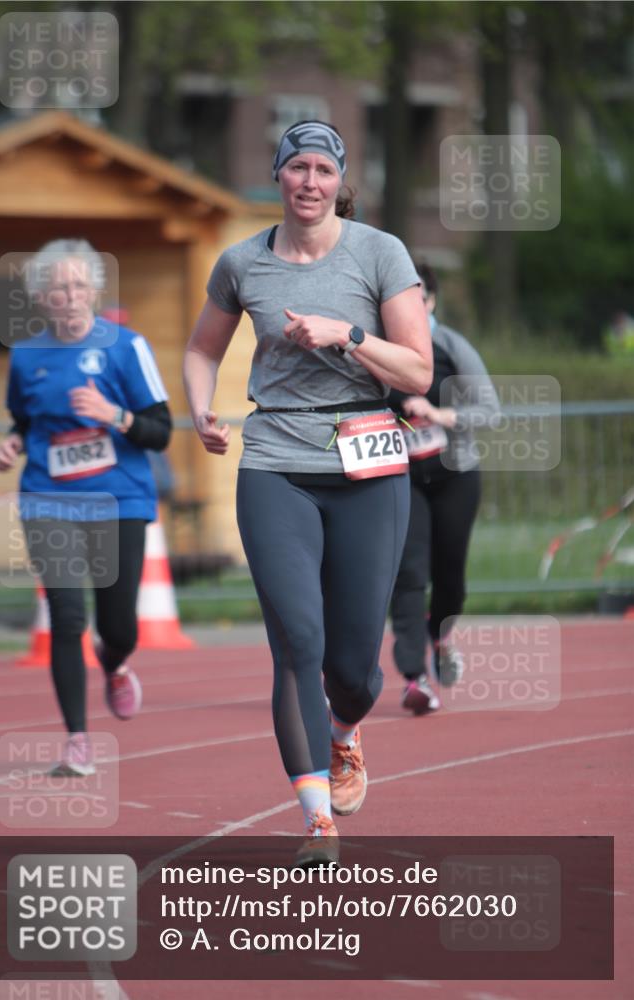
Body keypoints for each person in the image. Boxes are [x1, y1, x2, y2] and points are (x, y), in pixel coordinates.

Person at [183, 120, 432, 864]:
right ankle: (316, 816)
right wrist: (200, 408)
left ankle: (346, 731)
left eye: (323, 169)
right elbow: (202, 348)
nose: (309, 182)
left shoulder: (379, 252)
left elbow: (417, 373)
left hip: (368, 462)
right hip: (275, 460)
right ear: (279, 175)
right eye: (297, 168)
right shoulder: (241, 263)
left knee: (352, 667)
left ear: (338, 180)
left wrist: (346, 336)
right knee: (298, 640)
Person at [0, 239, 172, 775]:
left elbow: (160, 432)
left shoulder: (127, 348)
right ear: (41, 299)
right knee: (67, 616)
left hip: (119, 499)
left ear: (94, 290)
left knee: (119, 629)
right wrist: (14, 442)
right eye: (56, 288)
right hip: (49, 498)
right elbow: (26, 420)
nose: (69, 296)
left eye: (77, 286)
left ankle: (115, 664)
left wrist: (113, 415)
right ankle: (78, 742)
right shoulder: (27, 356)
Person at [388, 263, 500, 714]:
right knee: (409, 573)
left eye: (416, 298)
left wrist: (438, 416)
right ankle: (414, 677)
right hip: (403, 478)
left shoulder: (452, 347)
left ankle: (442, 635)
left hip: (455, 474)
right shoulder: (380, 349)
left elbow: (490, 410)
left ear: (430, 302)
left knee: (449, 575)